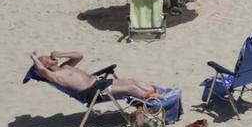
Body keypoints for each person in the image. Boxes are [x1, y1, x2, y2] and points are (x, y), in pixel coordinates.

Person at [28, 51, 157, 98]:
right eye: (48, 59)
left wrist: (61, 54)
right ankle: (154, 100)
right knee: (131, 88)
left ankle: (154, 93)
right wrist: (34, 58)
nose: (51, 57)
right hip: (93, 92)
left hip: (99, 83)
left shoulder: (65, 67)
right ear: (46, 66)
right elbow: (42, 70)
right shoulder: (55, 77)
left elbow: (79, 56)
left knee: (132, 81)